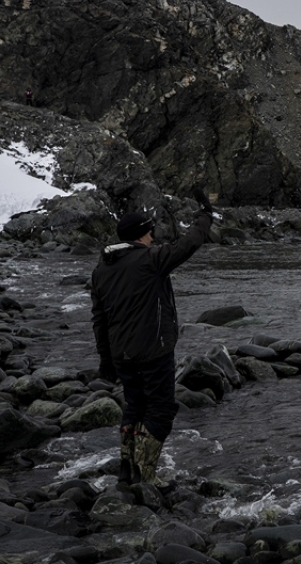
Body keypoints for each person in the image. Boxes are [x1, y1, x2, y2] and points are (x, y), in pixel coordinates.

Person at [91, 196, 213, 488]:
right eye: (149, 233)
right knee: (160, 410)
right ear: (141, 235)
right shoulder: (149, 260)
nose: (152, 237)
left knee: (134, 406)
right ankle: (145, 476)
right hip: (153, 350)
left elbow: (99, 319)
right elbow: (188, 245)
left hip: (121, 353)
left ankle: (126, 470)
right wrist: (205, 218)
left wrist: (105, 360)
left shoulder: (101, 269)